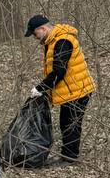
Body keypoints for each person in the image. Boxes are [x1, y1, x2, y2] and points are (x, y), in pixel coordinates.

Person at [24, 14, 94, 164]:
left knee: (70, 124)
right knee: (66, 122)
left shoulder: (62, 41)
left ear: (42, 28)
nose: (35, 38)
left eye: (35, 34)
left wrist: (41, 88)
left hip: (78, 90)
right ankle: (67, 155)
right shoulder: (53, 40)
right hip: (72, 89)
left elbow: (59, 71)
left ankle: (70, 158)